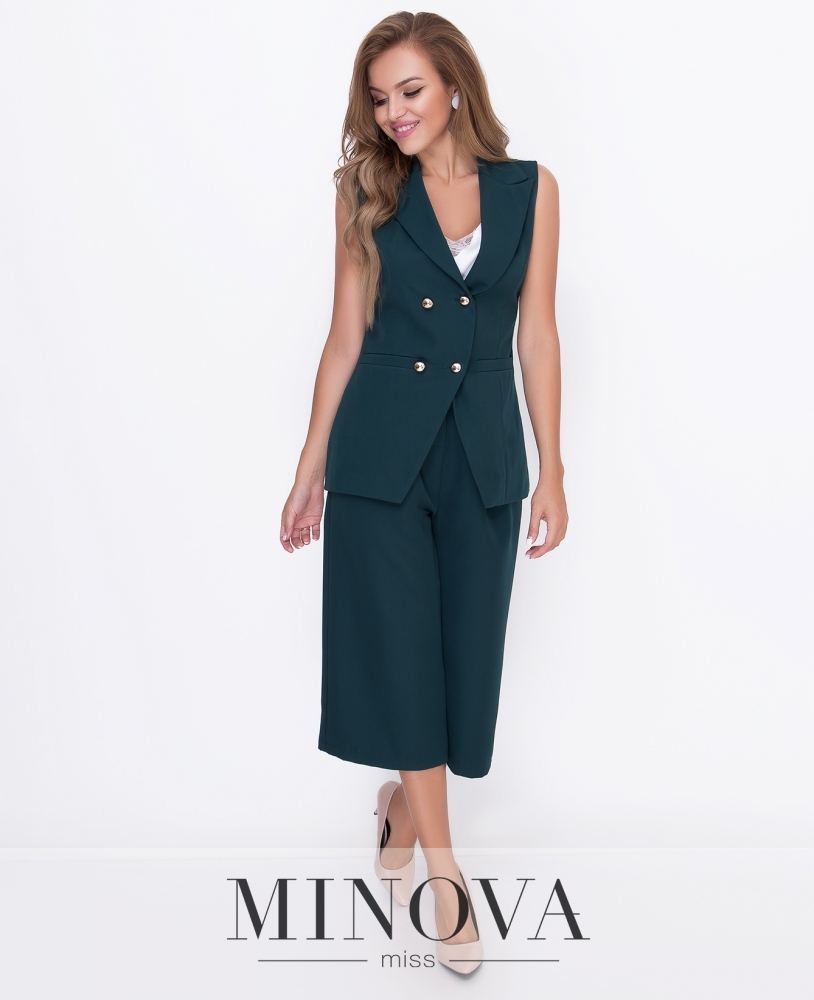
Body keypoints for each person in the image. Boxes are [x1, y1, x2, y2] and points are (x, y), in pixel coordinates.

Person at [280, 11, 567, 975]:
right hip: (380, 461)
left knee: (463, 671)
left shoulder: (532, 190)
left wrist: (554, 467)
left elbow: (537, 335)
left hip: (483, 457)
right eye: (378, 98)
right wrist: (310, 466)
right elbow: (344, 338)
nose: (393, 113)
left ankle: (403, 805)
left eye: (409, 91)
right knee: (404, 662)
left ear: (453, 87)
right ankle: (446, 877)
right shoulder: (365, 190)